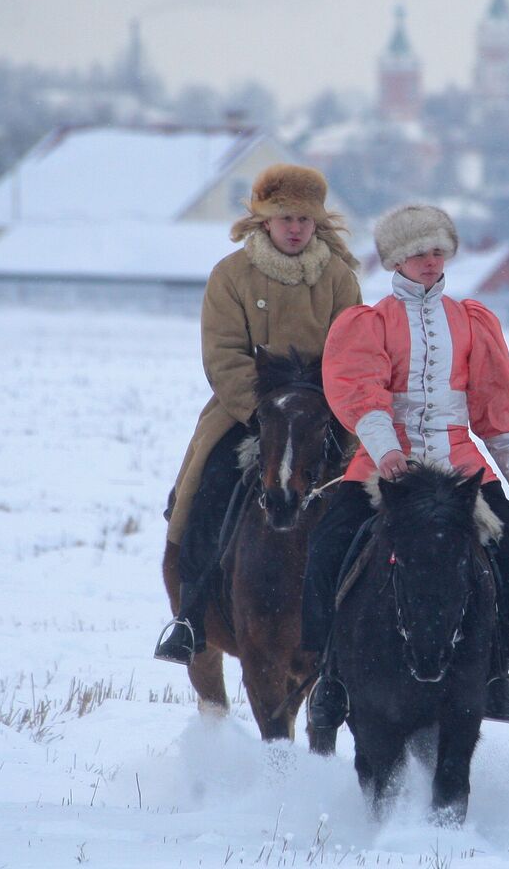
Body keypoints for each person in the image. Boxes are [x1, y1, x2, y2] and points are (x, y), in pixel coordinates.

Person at [302, 205, 509, 726]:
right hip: (385, 462)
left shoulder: (472, 321)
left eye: (436, 252)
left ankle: (498, 669)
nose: (429, 262)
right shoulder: (368, 323)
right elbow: (361, 390)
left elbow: (493, 398)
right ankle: (329, 673)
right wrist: (387, 450)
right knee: (328, 544)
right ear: (395, 260)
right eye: (416, 254)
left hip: (457, 462)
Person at [155, 164, 363, 664]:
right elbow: (223, 355)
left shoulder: (339, 277)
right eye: (284, 217)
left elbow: (353, 349)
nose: (295, 228)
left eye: (304, 220)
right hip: (245, 412)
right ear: (264, 220)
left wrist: (330, 410)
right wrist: (262, 412)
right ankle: (192, 615)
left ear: (318, 224)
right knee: (204, 494)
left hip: (325, 414)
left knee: (367, 498)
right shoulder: (231, 275)